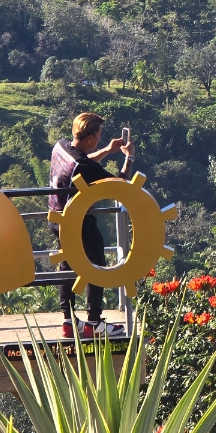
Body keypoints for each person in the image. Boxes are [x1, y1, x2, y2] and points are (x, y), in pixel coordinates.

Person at [49, 112, 135, 339]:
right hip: (79, 221)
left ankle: (68, 321)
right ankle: (94, 322)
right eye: (99, 136)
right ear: (89, 138)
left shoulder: (62, 146)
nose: (99, 138)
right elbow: (120, 185)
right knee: (96, 266)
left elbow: (84, 163)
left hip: (57, 218)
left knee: (67, 267)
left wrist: (107, 150)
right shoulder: (83, 165)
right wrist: (129, 157)